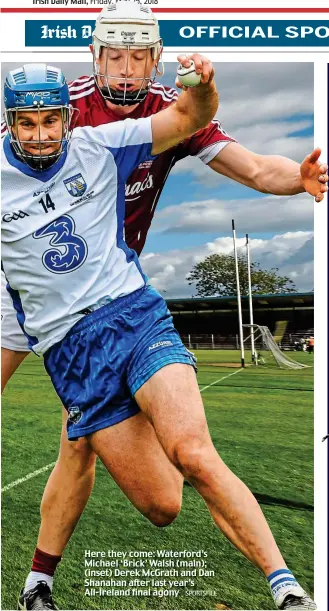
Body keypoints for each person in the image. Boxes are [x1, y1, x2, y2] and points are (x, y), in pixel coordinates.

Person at [1, 1, 326, 609]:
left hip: (122, 291)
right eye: (113, 56)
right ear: (94, 57)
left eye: (138, 57)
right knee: (92, 451)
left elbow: (257, 168)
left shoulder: (161, 108)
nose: (125, 71)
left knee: (162, 450)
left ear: (155, 58)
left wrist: (301, 180)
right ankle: (39, 580)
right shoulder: (56, 109)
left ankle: (287, 590)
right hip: (42, 302)